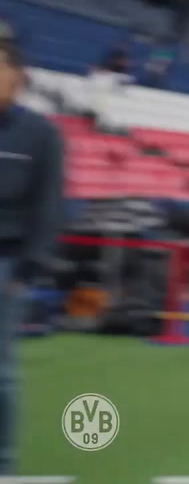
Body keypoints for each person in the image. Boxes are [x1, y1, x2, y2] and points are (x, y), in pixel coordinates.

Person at [0, 40, 64, 475]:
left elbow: (48, 205)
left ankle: (3, 462)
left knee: (0, 372)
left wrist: (27, 269)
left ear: (18, 77)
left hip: (5, 263)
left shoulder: (41, 135)